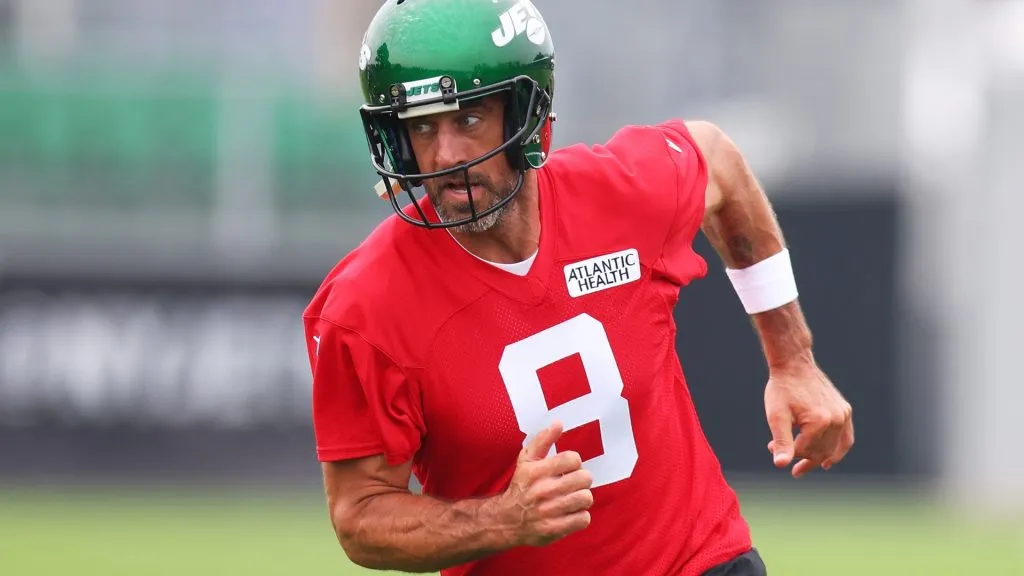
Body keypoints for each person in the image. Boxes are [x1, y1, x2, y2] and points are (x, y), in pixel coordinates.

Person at [303, 1, 854, 574]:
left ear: (525, 113)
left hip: (699, 563)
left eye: (468, 119)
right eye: (421, 126)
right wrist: (502, 519)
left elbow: (715, 159)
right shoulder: (366, 306)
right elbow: (360, 516)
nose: (445, 154)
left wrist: (792, 359)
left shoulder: (616, 193)